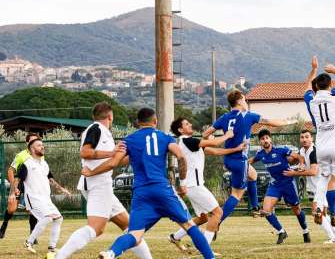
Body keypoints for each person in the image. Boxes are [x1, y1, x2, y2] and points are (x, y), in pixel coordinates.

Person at [82, 108, 215, 259]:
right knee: (189, 226)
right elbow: (181, 156)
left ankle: (111, 252)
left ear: (138, 123)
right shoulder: (165, 137)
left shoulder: (129, 140)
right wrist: (182, 182)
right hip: (162, 190)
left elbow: (113, 163)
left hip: (142, 194)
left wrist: (92, 172)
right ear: (155, 121)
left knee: (135, 234)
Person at [56, 103, 152, 259]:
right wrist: (112, 151)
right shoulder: (96, 129)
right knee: (96, 229)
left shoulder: (103, 132)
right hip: (98, 184)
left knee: (130, 226)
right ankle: (59, 257)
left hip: (101, 185)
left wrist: (136, 156)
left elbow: (113, 161)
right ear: (110, 116)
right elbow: (85, 152)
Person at [202, 90, 295, 224]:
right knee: (236, 195)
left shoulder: (224, 117)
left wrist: (214, 138)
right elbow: (271, 123)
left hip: (228, 159)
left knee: (253, 175)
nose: (246, 102)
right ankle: (216, 222)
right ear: (239, 101)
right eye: (244, 100)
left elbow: (205, 134)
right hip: (240, 160)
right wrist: (288, 122)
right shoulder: (248, 116)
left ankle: (255, 206)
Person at [167, 117, 244, 252]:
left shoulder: (189, 143)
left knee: (203, 218)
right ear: (180, 130)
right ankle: (206, 248)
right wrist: (227, 135)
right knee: (217, 213)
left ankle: (175, 236)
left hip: (193, 186)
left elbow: (214, 151)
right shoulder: (187, 140)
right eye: (186, 123)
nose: (190, 124)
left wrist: (235, 149)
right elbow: (214, 144)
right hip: (194, 186)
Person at [303, 56, 335, 230]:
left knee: (323, 178)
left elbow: (306, 87)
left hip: (322, 146)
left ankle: (318, 206)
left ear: (316, 86)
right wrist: (334, 70)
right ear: (330, 85)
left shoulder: (311, 100)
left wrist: (314, 70)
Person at [9, 138, 71, 258]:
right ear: (32, 149)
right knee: (48, 218)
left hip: (45, 199)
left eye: (42, 145)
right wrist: (12, 193)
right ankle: (29, 242)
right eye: (39, 145)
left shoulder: (44, 164)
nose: (42, 147)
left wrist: (62, 189)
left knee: (58, 219)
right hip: (33, 198)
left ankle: (52, 248)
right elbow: (17, 179)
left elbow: (50, 180)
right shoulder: (26, 164)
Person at [249, 129, 309, 244]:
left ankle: (305, 231)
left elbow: (299, 157)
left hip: (288, 183)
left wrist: (301, 165)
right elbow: (249, 161)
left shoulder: (281, 150)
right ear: (260, 142)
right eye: (262, 139)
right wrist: (238, 165)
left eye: (267, 138)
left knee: (296, 210)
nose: (265, 140)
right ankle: (281, 231)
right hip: (275, 184)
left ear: (270, 139)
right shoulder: (260, 154)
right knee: (265, 211)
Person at [284, 130, 335, 243]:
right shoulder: (302, 150)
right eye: (302, 137)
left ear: (312, 139)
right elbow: (304, 167)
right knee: (322, 214)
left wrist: (293, 173)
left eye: (307, 137)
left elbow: (313, 172)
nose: (304, 139)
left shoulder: (314, 151)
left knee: (316, 213)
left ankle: (333, 238)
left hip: (321, 186)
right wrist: (295, 167)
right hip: (315, 187)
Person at [0, 132, 41, 240]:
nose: (35, 143)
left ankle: (32, 235)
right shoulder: (21, 155)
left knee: (34, 209)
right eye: (32, 141)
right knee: (12, 209)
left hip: (33, 185)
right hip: (20, 183)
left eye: (36, 141)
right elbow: (10, 171)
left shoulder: (40, 155)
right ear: (27, 143)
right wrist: (14, 188)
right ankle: (4, 225)